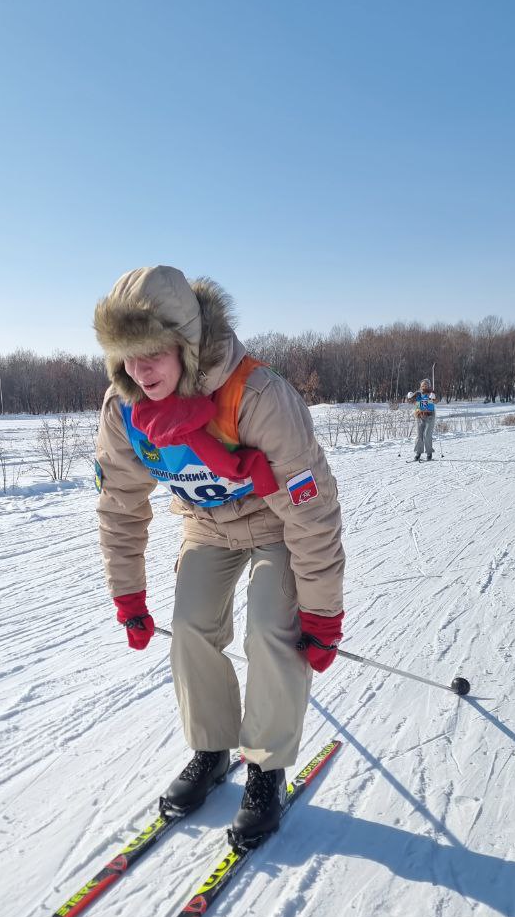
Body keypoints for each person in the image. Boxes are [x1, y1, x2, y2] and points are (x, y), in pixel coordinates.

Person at [93, 266, 345, 846]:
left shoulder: (257, 395)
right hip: (207, 526)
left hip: (276, 526)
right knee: (189, 627)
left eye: (152, 353)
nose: (139, 370)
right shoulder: (125, 407)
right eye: (126, 357)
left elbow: (311, 510)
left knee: (269, 630)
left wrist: (324, 612)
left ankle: (265, 766)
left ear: (186, 342)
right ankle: (210, 749)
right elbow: (120, 504)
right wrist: (127, 594)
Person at [406, 379, 437, 460]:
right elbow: (410, 401)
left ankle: (429, 453)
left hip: (429, 416)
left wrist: (434, 398)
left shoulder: (431, 393)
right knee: (419, 436)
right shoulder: (418, 393)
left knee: (427, 435)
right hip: (419, 416)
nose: (424, 386)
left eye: (426, 385)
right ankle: (418, 453)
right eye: (423, 385)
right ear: (420, 386)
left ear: (429, 385)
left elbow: (436, 401)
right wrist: (409, 396)